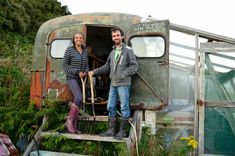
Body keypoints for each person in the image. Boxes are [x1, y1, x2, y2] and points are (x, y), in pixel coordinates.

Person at [89, 27, 138, 139]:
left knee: (124, 107)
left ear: (122, 37)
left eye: (117, 35)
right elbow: (106, 67)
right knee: (110, 106)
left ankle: (122, 132)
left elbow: (134, 66)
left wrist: (123, 74)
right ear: (112, 38)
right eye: (114, 36)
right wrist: (94, 71)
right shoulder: (112, 52)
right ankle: (111, 130)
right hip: (113, 84)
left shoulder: (128, 50)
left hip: (123, 83)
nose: (116, 37)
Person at [62, 32, 89, 134]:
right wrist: (78, 72)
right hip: (72, 78)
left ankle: (74, 126)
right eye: (76, 37)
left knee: (78, 101)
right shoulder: (69, 50)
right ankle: (69, 122)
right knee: (79, 98)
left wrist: (86, 72)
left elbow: (86, 65)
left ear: (83, 40)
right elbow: (65, 66)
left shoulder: (85, 51)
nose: (78, 39)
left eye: (80, 38)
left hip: (81, 79)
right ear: (74, 39)